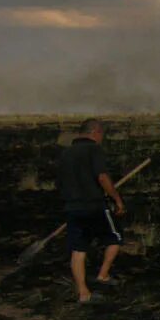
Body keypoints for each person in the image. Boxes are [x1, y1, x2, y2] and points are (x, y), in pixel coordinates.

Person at [56, 118, 126, 303]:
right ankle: (103, 275)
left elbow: (60, 182)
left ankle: (83, 293)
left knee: (78, 250)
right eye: (101, 134)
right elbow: (102, 177)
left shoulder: (66, 153)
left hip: (73, 207)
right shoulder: (94, 150)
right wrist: (117, 199)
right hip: (94, 206)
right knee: (115, 237)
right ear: (95, 132)